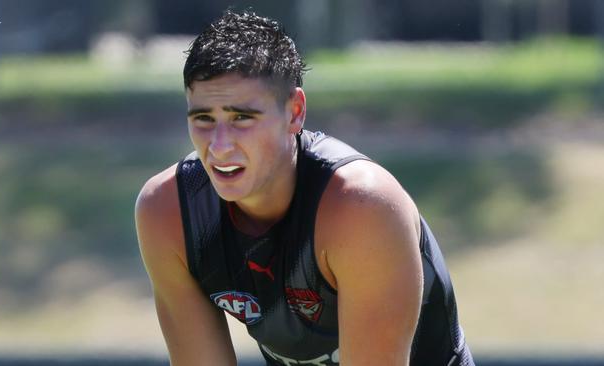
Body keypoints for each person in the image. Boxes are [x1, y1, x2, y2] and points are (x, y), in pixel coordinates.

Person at [135, 10, 474, 366]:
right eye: (204, 119)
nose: (219, 146)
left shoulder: (360, 207)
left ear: (295, 112)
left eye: (242, 118)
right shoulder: (169, 213)